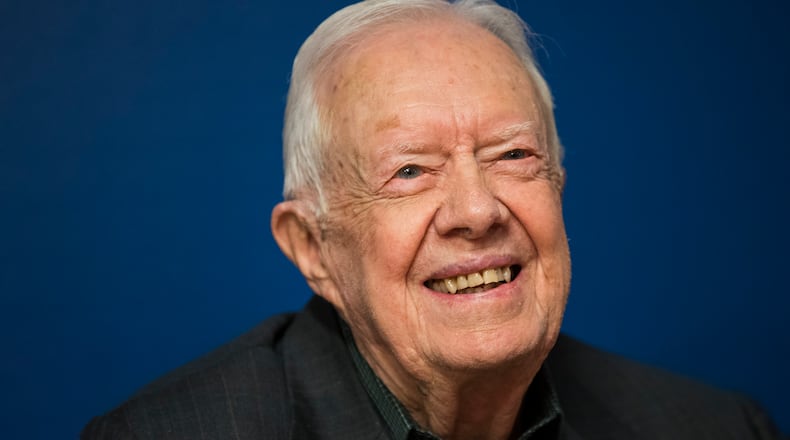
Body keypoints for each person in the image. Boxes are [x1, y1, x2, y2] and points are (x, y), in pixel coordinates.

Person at [82, 1, 784, 439]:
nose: (477, 211)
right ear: (313, 247)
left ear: (558, 187)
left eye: (513, 155)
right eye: (410, 171)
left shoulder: (715, 427)